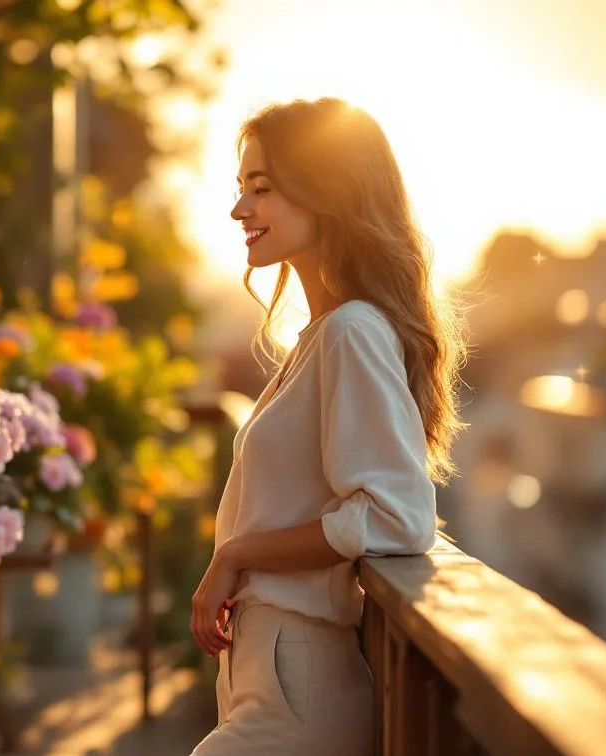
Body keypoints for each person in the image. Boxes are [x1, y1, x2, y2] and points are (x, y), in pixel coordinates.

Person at [189, 98, 466, 755]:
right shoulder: (320, 338)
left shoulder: (351, 332)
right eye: (240, 189)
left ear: (328, 192)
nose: (239, 210)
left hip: (299, 681)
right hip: (272, 672)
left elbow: (397, 515)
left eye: (262, 188)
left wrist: (237, 553)